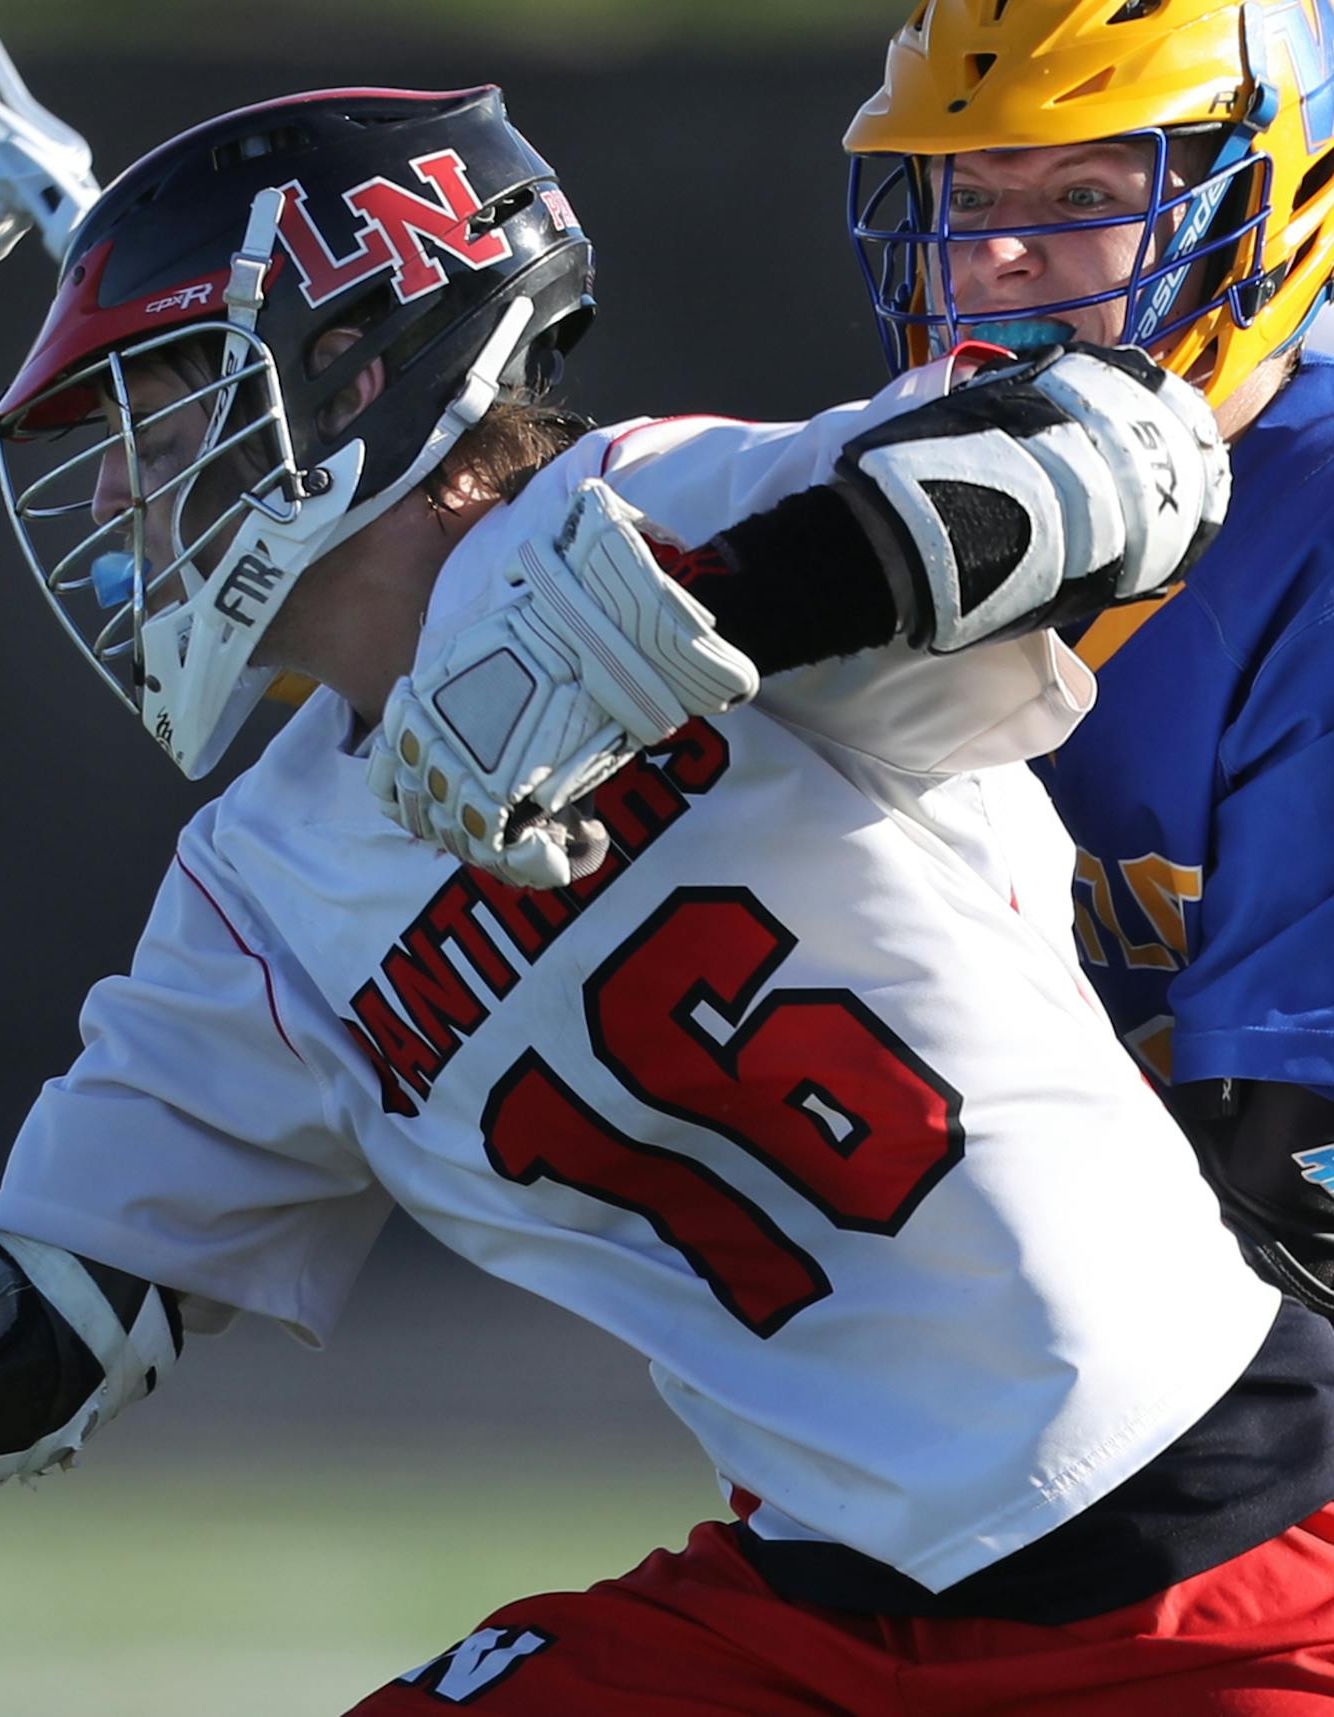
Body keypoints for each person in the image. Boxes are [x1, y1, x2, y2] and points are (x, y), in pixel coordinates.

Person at [0, 87, 1334, 1713]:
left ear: (357, 378)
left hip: (1219, 1555)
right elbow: (8, 1354)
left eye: (164, 418)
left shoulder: (643, 511)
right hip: (814, 1606)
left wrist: (682, 621)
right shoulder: (257, 893)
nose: (121, 496)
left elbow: (1128, 449)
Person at [391, 0, 1334, 1322]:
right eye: (968, 193)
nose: (992, 255)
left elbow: (1297, 1167)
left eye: (1080, 193)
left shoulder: (1311, 523)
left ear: (1270, 215)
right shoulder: (885, 493)